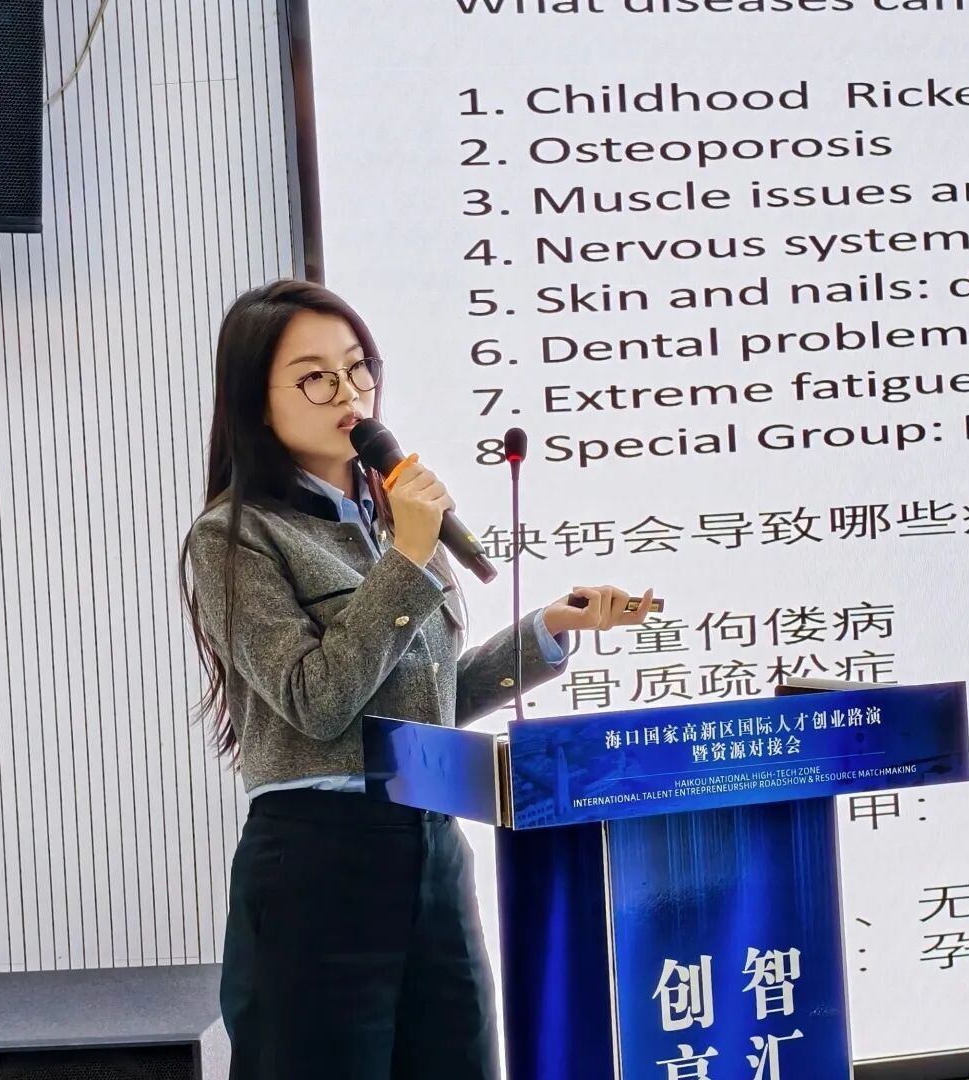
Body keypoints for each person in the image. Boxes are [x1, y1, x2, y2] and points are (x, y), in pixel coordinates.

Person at [180, 279, 654, 1079]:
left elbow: (430, 703)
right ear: (256, 404)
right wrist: (407, 555)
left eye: (357, 368)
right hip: (319, 862)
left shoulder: (391, 524)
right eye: (315, 377)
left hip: (432, 842)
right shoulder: (235, 536)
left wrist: (548, 631)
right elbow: (318, 702)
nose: (349, 393)